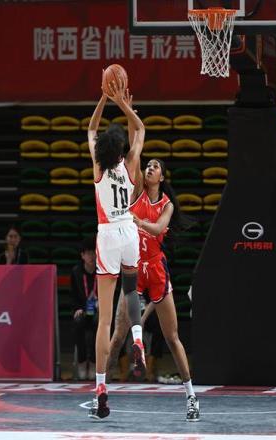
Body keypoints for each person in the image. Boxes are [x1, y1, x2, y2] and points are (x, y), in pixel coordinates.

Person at [108, 157, 200, 421]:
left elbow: (159, 228)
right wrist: (133, 130)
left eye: (155, 166)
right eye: (148, 165)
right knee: (118, 336)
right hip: (134, 267)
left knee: (172, 337)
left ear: (162, 177)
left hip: (157, 268)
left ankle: (191, 397)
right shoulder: (137, 190)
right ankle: (101, 392)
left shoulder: (167, 205)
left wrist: (137, 221)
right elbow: (134, 154)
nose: (150, 168)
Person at [86, 79, 146, 420]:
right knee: (132, 290)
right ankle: (137, 338)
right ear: (122, 150)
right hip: (129, 231)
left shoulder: (99, 168)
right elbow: (140, 129)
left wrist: (103, 97)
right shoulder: (131, 165)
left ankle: (100, 388)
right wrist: (123, 104)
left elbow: (91, 128)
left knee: (105, 319)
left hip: (107, 234)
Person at [70, 236, 98, 380]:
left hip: (98, 311)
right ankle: (81, 362)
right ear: (82, 255)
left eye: (94, 253)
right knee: (78, 323)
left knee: (99, 323)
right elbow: (73, 295)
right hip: (82, 309)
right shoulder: (76, 272)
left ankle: (93, 362)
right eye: (88, 253)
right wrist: (77, 308)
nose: (91, 256)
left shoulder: (102, 271)